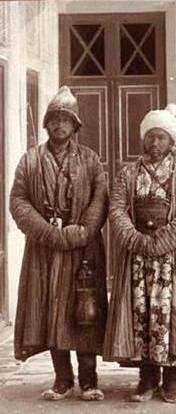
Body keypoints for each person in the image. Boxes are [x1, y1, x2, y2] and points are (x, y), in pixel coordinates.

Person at [10, 86, 108, 401]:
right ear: (47, 123)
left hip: (84, 249)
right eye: (54, 119)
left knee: (85, 311)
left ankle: (90, 380)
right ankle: (63, 379)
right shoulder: (30, 160)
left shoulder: (90, 160)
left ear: (75, 125)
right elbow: (18, 201)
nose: (59, 125)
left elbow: (100, 198)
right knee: (53, 309)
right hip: (46, 250)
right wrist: (48, 233)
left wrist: (84, 230)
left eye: (66, 120)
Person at [104, 108, 176, 404]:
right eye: (151, 137)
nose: (155, 143)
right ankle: (146, 377)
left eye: (161, 138)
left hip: (172, 255)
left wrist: (162, 241)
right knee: (141, 312)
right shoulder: (128, 173)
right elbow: (117, 209)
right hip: (138, 256)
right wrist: (135, 239)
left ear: (172, 142)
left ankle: (173, 380)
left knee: (172, 312)